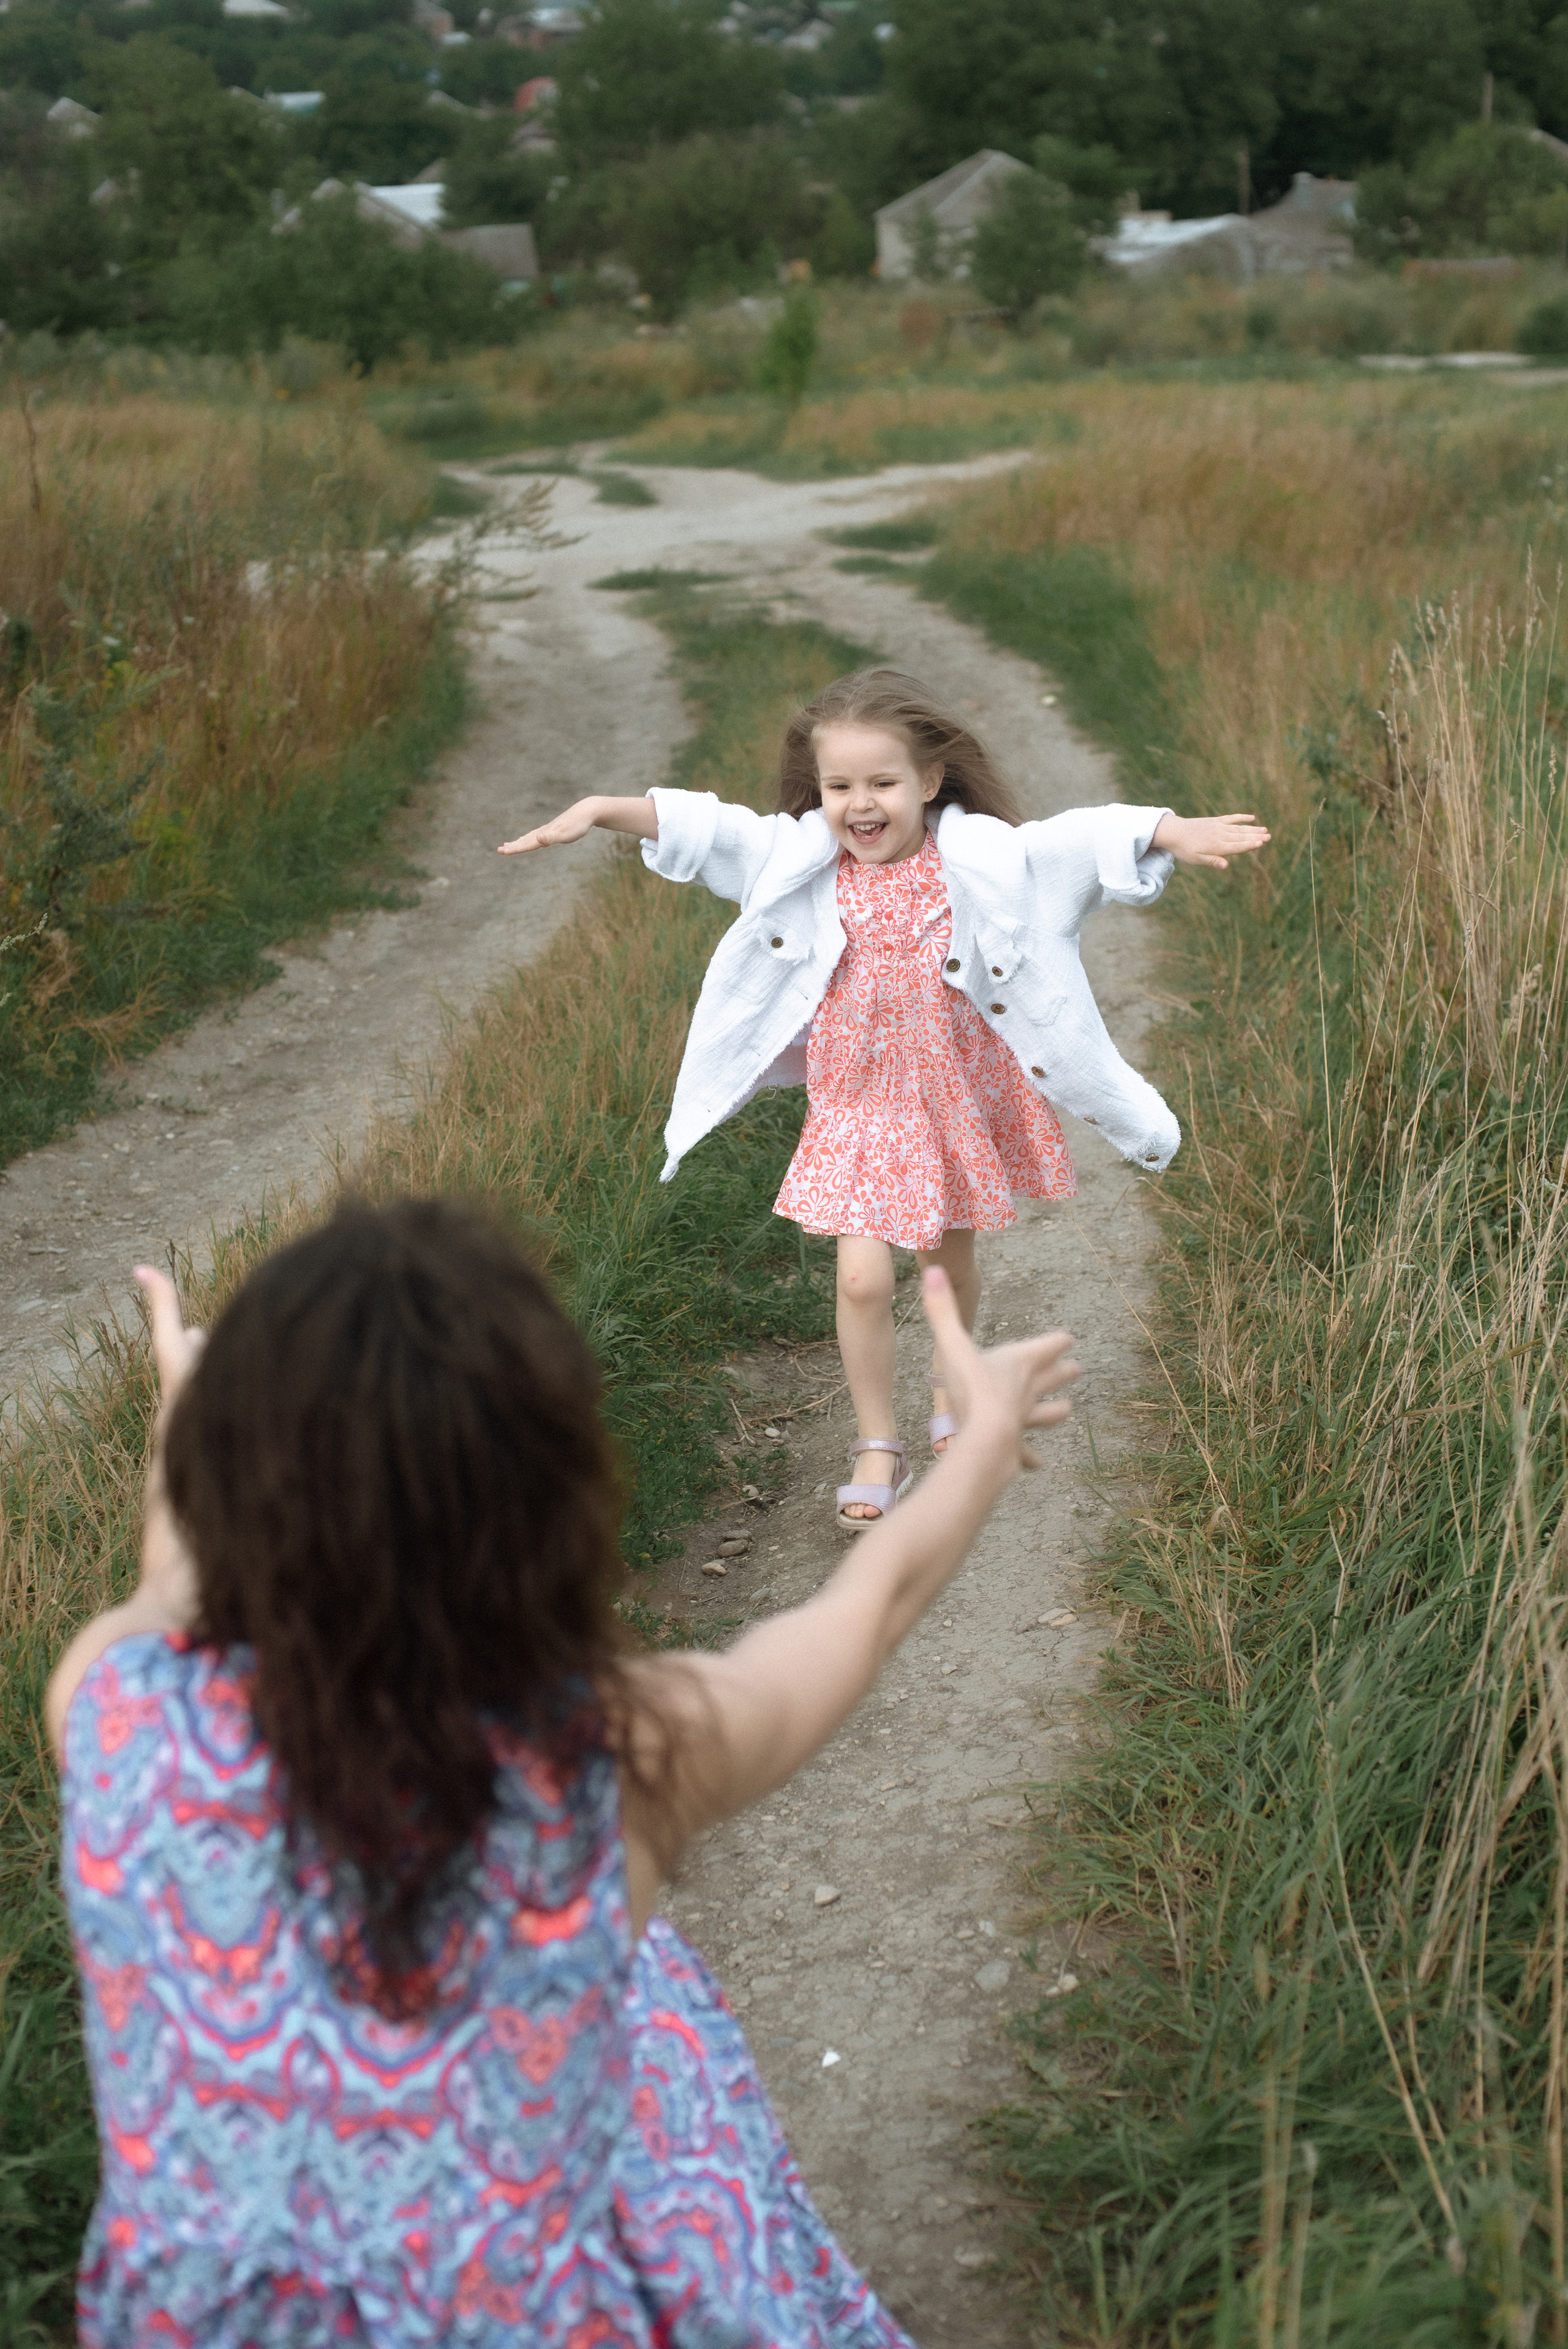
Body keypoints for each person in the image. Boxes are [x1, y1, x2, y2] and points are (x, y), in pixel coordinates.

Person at [45, 1198, 1082, 2348]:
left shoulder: (112, 1705)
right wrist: (981, 1444)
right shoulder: (612, 1756)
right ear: (551, 1495)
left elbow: (168, 1583)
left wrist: (187, 1417)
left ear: (218, 1488)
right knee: (653, 2018)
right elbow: (864, 1612)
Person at [501, 666, 1268, 1528]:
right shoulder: (800, 861)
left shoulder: (983, 859)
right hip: (858, 1106)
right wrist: (602, 808)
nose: (860, 805)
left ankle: (952, 1378)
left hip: (952, 1099)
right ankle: (877, 1442)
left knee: (943, 1264)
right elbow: (711, 829)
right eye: (839, 786)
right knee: (864, 1280)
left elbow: (1078, 841)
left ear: (930, 780)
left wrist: (1170, 830)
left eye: (882, 783)